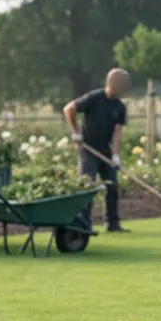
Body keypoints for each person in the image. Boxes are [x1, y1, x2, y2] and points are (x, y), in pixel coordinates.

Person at [63, 69, 130, 233]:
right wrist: (76, 133)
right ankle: (84, 224)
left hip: (105, 151)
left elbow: (117, 133)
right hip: (88, 149)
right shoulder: (94, 98)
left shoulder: (120, 107)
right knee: (88, 185)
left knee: (112, 186)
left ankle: (113, 223)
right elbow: (69, 109)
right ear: (113, 84)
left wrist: (115, 155)